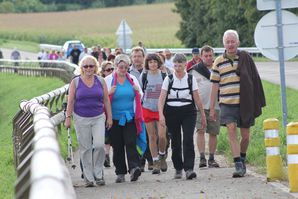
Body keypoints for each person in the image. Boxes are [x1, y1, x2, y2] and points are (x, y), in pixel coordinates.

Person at [209, 29, 266, 178]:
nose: (230, 44)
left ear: (238, 42)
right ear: (224, 44)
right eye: (227, 42)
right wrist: (212, 108)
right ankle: (238, 164)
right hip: (227, 103)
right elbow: (215, 85)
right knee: (232, 129)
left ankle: (242, 156)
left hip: (245, 104)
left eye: (232, 41)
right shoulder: (218, 61)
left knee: (246, 136)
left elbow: (254, 79)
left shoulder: (245, 57)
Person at [64, 55, 112, 187]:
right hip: (80, 118)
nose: (88, 68)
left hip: (98, 117)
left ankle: (98, 172)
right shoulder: (76, 82)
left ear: (95, 67)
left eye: (91, 66)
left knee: (99, 145)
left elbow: (106, 100)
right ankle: (89, 177)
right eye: (85, 66)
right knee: (85, 148)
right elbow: (71, 100)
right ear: (82, 68)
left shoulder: (100, 81)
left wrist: (110, 117)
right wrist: (68, 118)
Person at [158, 53, 206, 180]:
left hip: (188, 112)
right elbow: (162, 98)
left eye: (180, 65)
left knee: (188, 139)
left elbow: (197, 98)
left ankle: (189, 169)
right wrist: (161, 115)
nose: (178, 68)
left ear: (185, 65)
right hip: (171, 112)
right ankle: (178, 168)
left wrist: (203, 115)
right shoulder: (168, 79)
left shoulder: (191, 79)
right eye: (175, 65)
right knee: (176, 141)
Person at [105, 54, 143, 183]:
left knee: (130, 142)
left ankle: (134, 168)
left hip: (130, 118)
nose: (123, 70)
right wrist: (109, 92)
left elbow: (140, 96)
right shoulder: (108, 80)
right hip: (113, 119)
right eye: (121, 67)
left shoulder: (132, 79)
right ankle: (120, 172)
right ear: (116, 66)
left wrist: (138, 91)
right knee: (118, 145)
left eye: (126, 67)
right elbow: (102, 98)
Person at [188, 45, 220, 168]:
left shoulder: (218, 69)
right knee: (200, 131)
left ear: (213, 56)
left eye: (210, 55)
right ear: (201, 57)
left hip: (216, 106)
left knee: (213, 132)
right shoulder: (193, 70)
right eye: (205, 56)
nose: (208, 58)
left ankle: (211, 158)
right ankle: (202, 158)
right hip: (198, 107)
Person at [139, 54, 167, 174]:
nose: (153, 64)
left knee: (162, 136)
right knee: (151, 136)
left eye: (155, 62)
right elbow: (140, 92)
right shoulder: (144, 75)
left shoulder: (164, 75)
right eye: (150, 62)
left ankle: (162, 155)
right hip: (147, 108)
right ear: (147, 64)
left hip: (161, 110)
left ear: (158, 63)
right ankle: (155, 161)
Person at [129, 46, 154, 172]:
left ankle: (150, 159)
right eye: (134, 56)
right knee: (138, 134)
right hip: (135, 108)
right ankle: (141, 160)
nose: (137, 59)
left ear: (143, 57)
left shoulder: (149, 70)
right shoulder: (128, 72)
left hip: (149, 106)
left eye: (139, 56)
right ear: (131, 58)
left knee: (149, 134)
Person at [100, 60, 115, 168]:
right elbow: (100, 97)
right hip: (105, 111)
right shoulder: (101, 81)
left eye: (112, 69)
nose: (110, 71)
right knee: (107, 135)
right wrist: (110, 93)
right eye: (108, 70)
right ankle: (106, 155)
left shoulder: (117, 79)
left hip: (116, 110)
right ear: (103, 72)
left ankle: (113, 156)